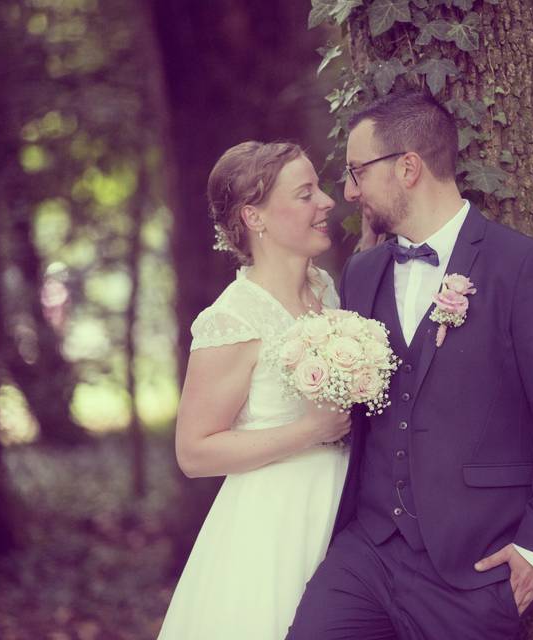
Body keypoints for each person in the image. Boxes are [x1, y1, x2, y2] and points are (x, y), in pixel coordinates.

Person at [288, 91, 533, 640]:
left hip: (475, 567)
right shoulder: (363, 272)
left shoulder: (524, 267)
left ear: (409, 167)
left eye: (359, 171)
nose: (350, 190)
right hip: (368, 551)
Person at [157, 141, 351, 640]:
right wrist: (308, 431)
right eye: (306, 194)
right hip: (275, 524)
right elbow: (195, 452)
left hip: (347, 510)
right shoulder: (232, 318)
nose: (326, 201)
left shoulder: (326, 289)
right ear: (255, 217)